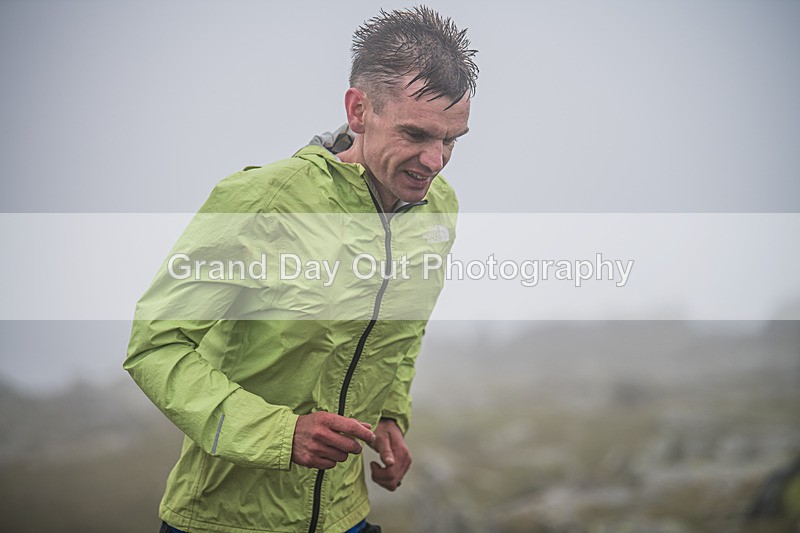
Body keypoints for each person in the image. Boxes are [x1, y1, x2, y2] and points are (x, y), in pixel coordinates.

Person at [125, 6, 478, 533]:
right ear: (358, 111)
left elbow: (400, 332)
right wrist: (279, 434)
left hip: (346, 516)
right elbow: (156, 347)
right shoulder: (262, 200)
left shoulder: (438, 207)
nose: (435, 161)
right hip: (226, 519)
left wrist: (389, 415)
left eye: (451, 140)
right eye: (416, 135)